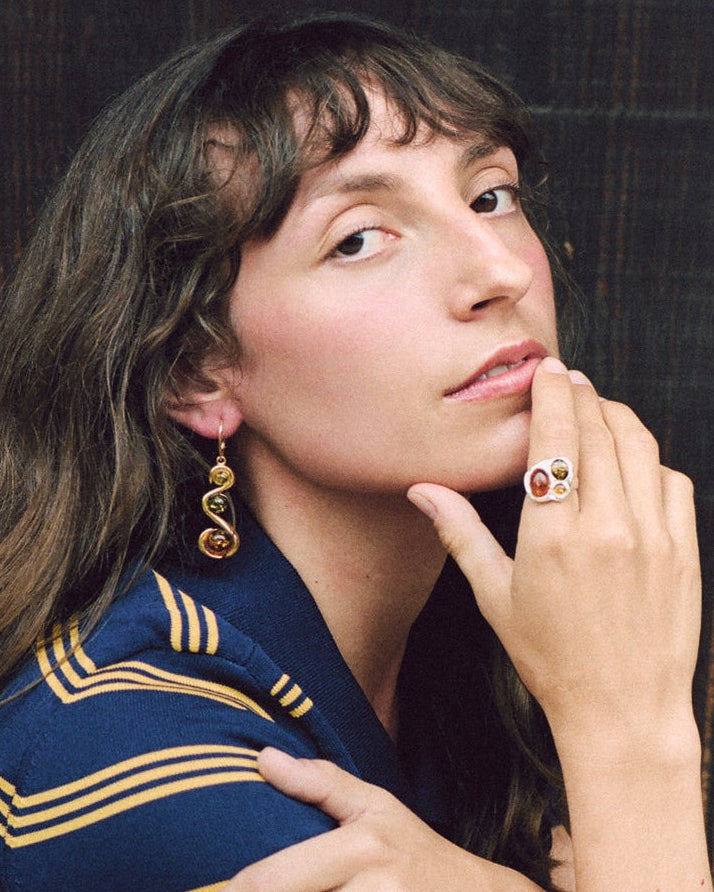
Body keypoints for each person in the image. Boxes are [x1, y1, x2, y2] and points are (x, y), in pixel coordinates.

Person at [0, 12, 709, 892]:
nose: (502, 271)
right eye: (361, 238)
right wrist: (629, 734)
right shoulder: (138, 753)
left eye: (490, 195)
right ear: (199, 371)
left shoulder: (484, 640)